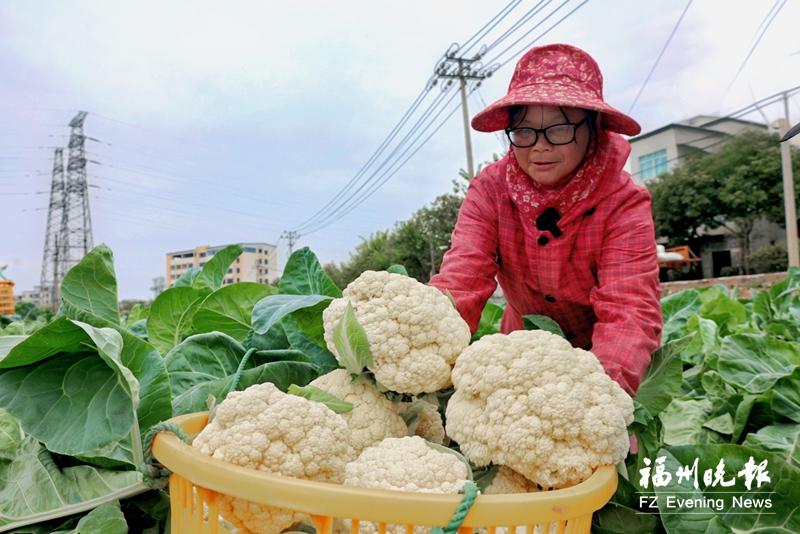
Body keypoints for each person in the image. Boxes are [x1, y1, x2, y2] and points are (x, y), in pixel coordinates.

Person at [429, 43, 662, 395]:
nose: (540, 146)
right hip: (521, 353)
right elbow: (462, 280)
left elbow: (629, 309)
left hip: (608, 358)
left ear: (594, 127)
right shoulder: (490, 190)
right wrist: (424, 344)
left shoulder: (623, 202)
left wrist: (598, 394)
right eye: (524, 131)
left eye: (559, 129)